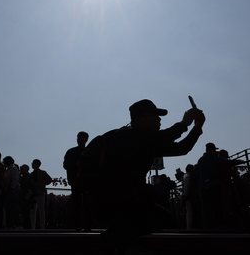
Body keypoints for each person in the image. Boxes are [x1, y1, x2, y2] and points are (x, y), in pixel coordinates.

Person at [87, 99, 205, 255]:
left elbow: (181, 148)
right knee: (147, 193)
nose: (159, 119)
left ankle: (117, 235)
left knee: (161, 215)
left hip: (118, 200)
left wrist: (196, 129)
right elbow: (164, 138)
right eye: (154, 115)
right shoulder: (128, 137)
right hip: (107, 201)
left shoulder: (146, 141)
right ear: (139, 118)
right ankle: (121, 242)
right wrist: (184, 123)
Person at [197, 143, 243, 229]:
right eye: (214, 150)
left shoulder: (200, 160)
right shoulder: (210, 158)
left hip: (202, 187)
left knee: (206, 209)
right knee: (216, 206)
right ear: (210, 150)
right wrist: (237, 161)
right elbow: (223, 162)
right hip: (211, 186)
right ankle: (218, 226)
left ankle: (208, 226)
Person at [63, 131, 91, 231]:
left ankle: (87, 226)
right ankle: (77, 226)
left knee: (87, 205)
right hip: (76, 182)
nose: (80, 140)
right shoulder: (72, 152)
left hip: (87, 182)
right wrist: (76, 165)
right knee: (77, 205)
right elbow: (66, 165)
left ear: (86, 140)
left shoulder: (89, 152)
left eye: (82, 138)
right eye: (79, 137)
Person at [30, 159, 52, 229]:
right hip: (34, 194)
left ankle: (42, 226)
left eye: (33, 163)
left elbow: (49, 179)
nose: (32, 165)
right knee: (33, 211)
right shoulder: (32, 174)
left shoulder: (42, 173)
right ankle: (33, 226)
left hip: (40, 193)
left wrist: (42, 184)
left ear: (37, 164)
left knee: (41, 211)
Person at [3, 156, 22, 229]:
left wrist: (13, 189)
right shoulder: (9, 169)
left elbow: (15, 179)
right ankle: (9, 224)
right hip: (9, 189)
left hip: (12, 189)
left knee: (13, 208)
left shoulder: (13, 169)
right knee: (8, 208)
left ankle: (18, 224)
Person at [19, 164, 37, 229]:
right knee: (27, 213)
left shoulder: (24, 178)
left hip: (25, 197)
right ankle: (28, 226)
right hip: (29, 198)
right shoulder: (29, 177)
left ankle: (26, 226)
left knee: (25, 213)